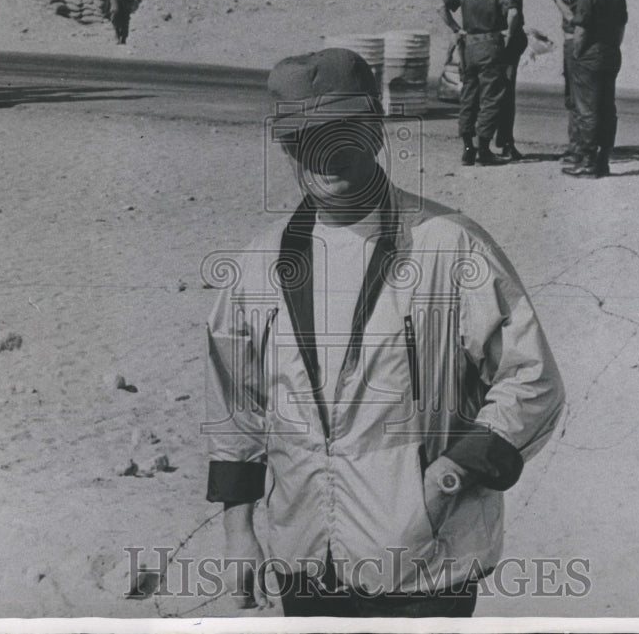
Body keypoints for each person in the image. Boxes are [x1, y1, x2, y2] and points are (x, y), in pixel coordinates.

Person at [205, 48, 565, 617]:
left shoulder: (451, 246)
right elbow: (237, 408)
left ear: (374, 136)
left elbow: (533, 381)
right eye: (305, 139)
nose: (325, 156)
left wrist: (447, 477)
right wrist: (238, 532)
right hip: (306, 565)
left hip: (424, 567)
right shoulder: (258, 264)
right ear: (286, 147)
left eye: (341, 135)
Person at [440, 0, 517, 166]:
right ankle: (483, 148)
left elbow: (442, 7)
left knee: (468, 97)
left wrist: (456, 28)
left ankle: (467, 148)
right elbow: (512, 13)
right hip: (490, 45)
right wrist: (509, 33)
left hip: (469, 47)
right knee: (491, 97)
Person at [562, 0, 628, 179]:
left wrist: (577, 54)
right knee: (606, 108)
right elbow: (620, 29)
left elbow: (581, 30)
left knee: (586, 110)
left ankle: (588, 162)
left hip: (589, 56)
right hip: (610, 53)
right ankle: (602, 161)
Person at [540, 0, 586, 163]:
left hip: (577, 45)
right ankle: (576, 145)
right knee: (573, 99)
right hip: (571, 45)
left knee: (578, 99)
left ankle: (580, 147)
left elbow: (573, 18)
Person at [489, 0, 527, 161]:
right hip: (489, 41)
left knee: (507, 94)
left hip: (509, 43)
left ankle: (506, 141)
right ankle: (480, 143)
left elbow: (517, 9)